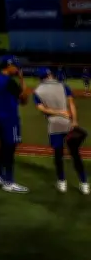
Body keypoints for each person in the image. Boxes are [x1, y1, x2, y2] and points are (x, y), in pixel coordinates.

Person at [33, 67, 89, 195]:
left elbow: (42, 109)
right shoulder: (63, 86)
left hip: (54, 126)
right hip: (68, 124)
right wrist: (74, 121)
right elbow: (71, 105)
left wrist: (58, 112)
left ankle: (62, 182)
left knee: (58, 155)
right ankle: (84, 183)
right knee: (75, 154)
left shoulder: (37, 91)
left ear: (40, 78)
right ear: (50, 75)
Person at [0, 55, 29, 193]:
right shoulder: (10, 82)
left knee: (2, 147)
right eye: (16, 66)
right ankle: (9, 181)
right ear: (9, 66)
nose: (17, 69)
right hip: (10, 119)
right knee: (10, 149)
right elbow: (24, 99)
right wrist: (21, 79)